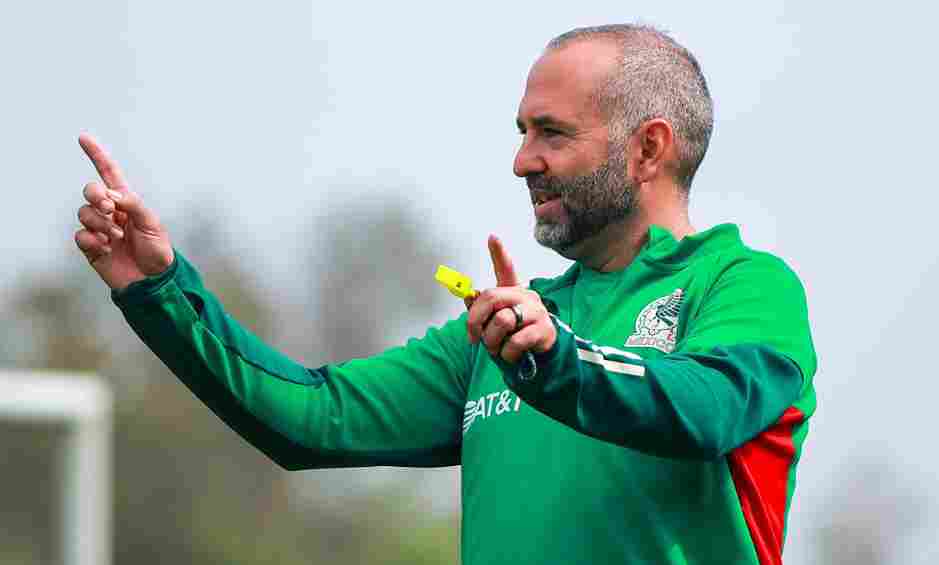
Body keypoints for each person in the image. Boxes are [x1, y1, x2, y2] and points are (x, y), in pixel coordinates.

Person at [74, 23, 816, 565]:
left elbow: (707, 408)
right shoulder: (506, 330)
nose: (522, 159)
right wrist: (160, 291)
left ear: (648, 147)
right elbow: (311, 417)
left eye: (551, 133)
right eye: (522, 131)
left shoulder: (742, 286)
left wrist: (557, 360)